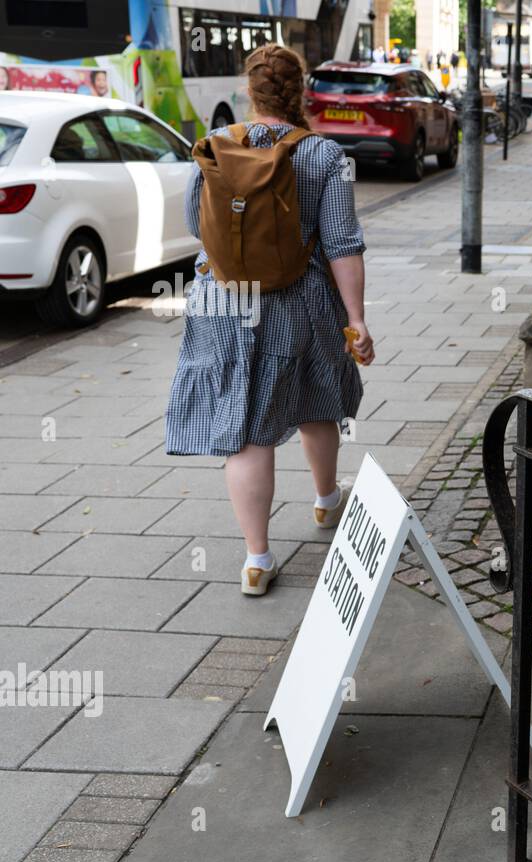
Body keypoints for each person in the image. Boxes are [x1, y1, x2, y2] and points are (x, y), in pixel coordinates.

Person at [165, 44, 375, 597]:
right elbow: (343, 246)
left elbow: (195, 224)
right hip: (295, 301)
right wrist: (356, 320)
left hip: (222, 302)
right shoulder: (323, 155)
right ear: (299, 92)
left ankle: (256, 561)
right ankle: (327, 501)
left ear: (248, 92)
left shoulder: (213, 147)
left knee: (246, 427)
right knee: (315, 394)